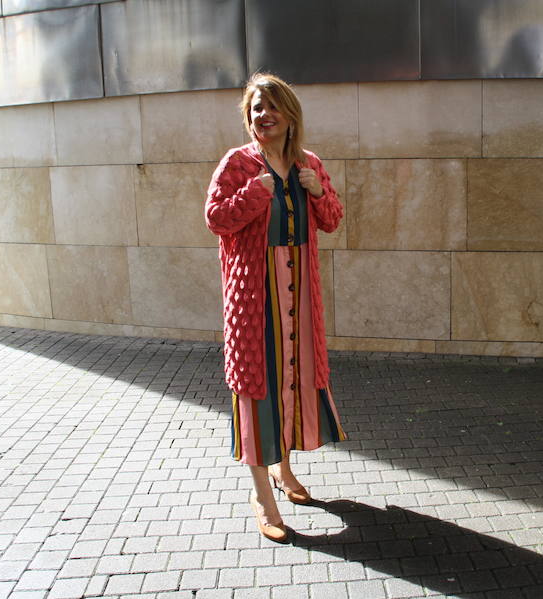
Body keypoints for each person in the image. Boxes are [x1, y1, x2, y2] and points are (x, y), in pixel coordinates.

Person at [205, 73, 345, 543]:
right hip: (254, 297)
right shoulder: (238, 164)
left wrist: (319, 192)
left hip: (299, 295)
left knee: (291, 381)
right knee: (258, 386)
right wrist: (255, 193)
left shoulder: (309, 163)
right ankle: (262, 495)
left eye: (270, 107)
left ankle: (284, 472)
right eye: (255, 109)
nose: (262, 117)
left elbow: (331, 221)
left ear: (289, 115)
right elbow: (216, 219)